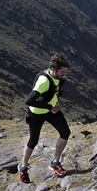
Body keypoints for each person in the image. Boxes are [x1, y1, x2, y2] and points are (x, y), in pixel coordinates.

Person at [19, 53, 72, 183]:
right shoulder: (44, 80)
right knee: (33, 140)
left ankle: (55, 162)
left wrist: (53, 104)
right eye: (62, 71)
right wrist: (50, 107)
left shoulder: (58, 77)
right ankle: (23, 168)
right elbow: (29, 100)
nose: (64, 74)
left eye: (65, 71)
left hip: (50, 109)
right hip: (36, 113)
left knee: (65, 132)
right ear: (54, 69)